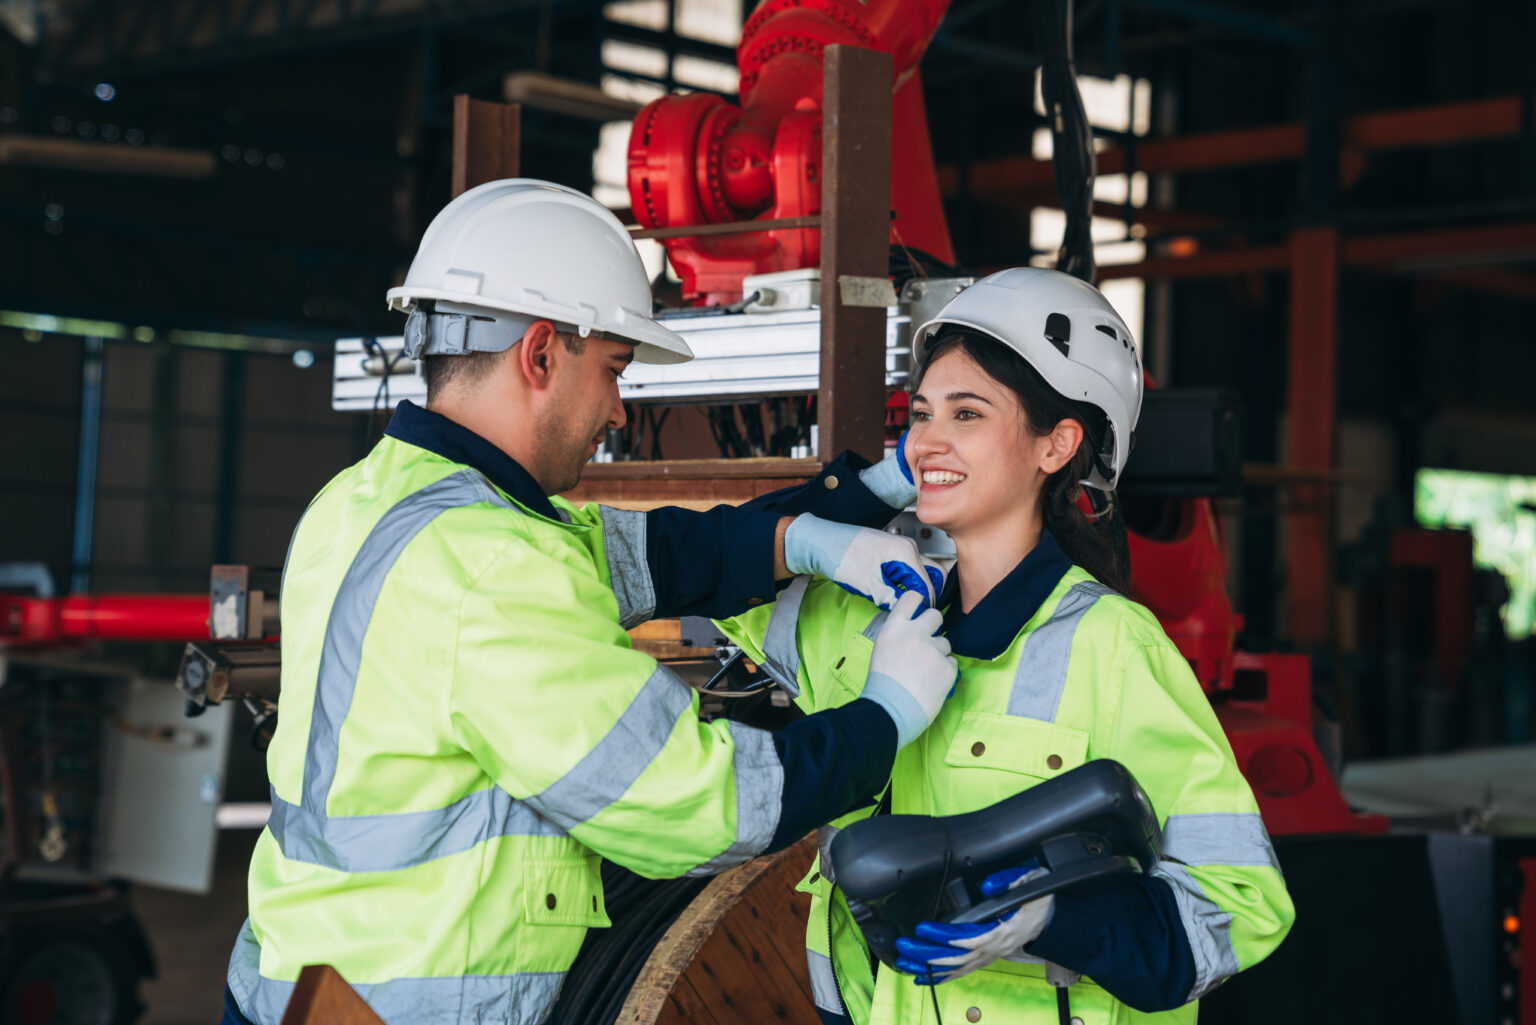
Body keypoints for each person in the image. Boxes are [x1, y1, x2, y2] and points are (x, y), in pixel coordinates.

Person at [221, 180, 960, 1025]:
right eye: (612, 369)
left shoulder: (370, 499)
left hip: (296, 981)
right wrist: (885, 715)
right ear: (540, 354)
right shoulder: (492, 562)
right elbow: (703, 804)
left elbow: (658, 552)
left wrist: (830, 520)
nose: (616, 407)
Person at [719, 268, 1296, 1025]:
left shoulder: (1114, 647)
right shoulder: (867, 627)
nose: (929, 439)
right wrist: (868, 497)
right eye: (920, 415)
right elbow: (721, 567)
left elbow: (1242, 904)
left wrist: (1054, 919)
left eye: (968, 413)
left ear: (1057, 444)